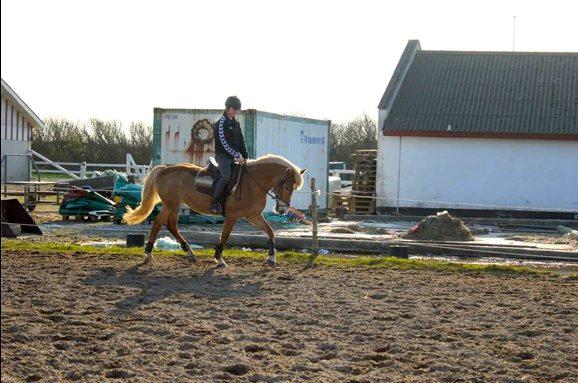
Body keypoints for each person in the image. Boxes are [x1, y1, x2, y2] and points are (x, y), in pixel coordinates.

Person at [210, 96, 249, 214]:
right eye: (234, 109)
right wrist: (237, 155)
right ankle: (214, 203)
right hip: (223, 157)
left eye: (238, 109)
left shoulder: (236, 122)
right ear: (228, 108)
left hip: (234, 156)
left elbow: (241, 140)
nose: (236, 111)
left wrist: (245, 155)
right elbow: (224, 144)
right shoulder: (221, 123)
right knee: (226, 176)